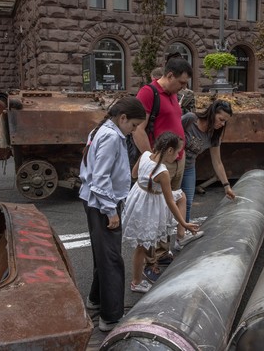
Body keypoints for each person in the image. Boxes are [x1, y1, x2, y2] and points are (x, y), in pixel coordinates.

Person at [78, 97, 146, 332]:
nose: (134, 130)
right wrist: (110, 211)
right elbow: (101, 178)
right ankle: (111, 317)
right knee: (112, 260)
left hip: (95, 201)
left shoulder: (103, 130)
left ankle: (96, 301)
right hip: (102, 203)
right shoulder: (110, 136)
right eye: (134, 125)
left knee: (103, 255)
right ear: (123, 118)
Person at [133, 57, 193, 283]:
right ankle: (152, 262)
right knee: (154, 213)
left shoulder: (173, 94)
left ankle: (162, 253)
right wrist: (151, 159)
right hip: (161, 162)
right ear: (169, 76)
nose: (184, 87)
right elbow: (138, 129)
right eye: (181, 82)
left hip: (176, 159)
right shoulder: (149, 93)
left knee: (167, 210)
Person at [122, 132, 200, 293]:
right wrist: (184, 222)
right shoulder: (162, 172)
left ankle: (180, 236)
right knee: (141, 246)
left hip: (139, 197)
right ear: (169, 150)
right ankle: (136, 282)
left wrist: (146, 183)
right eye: (178, 152)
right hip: (150, 203)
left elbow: (134, 174)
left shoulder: (145, 155)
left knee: (182, 196)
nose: (178, 155)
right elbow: (170, 200)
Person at [180, 100, 236, 250]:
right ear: (212, 113)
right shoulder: (190, 119)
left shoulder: (214, 135)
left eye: (225, 122)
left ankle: (182, 236)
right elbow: (171, 134)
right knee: (169, 202)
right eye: (221, 119)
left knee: (188, 202)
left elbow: (217, 162)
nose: (222, 124)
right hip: (174, 167)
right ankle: (162, 244)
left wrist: (226, 186)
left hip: (189, 168)